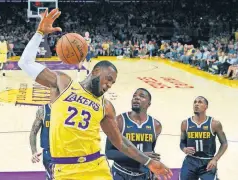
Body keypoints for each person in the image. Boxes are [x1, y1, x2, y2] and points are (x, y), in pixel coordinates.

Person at [18, 9, 172, 180]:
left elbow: (119, 141)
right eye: (108, 79)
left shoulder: (105, 106)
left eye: (113, 83)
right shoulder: (63, 83)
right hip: (65, 169)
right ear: (96, 71)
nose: (109, 85)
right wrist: (40, 33)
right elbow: (25, 62)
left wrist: (149, 161)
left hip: (96, 168)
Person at [106, 88, 162, 180]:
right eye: (134, 96)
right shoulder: (119, 121)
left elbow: (151, 151)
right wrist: (140, 156)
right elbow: (109, 153)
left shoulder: (156, 125)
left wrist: (154, 171)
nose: (136, 98)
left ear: (149, 104)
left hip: (143, 175)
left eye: (141, 96)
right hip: (121, 173)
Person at [179, 96, 228, 180]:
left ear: (206, 107)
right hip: (190, 161)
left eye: (200, 102)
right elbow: (182, 143)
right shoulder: (185, 123)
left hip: (207, 162)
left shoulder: (214, 124)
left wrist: (215, 159)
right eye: (195, 102)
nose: (196, 104)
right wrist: (184, 149)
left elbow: (224, 143)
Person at [29, 103, 52, 180]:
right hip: (49, 152)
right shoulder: (43, 110)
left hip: (64, 152)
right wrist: (34, 152)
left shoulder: (65, 109)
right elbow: (33, 132)